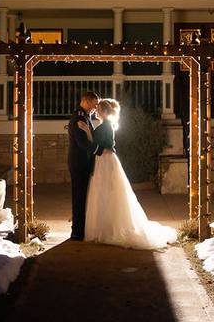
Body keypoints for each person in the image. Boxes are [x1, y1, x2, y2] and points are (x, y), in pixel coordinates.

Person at [78, 98, 176, 250]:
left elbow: (105, 146)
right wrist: (87, 130)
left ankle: (108, 229)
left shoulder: (106, 126)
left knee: (107, 191)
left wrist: (87, 131)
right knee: (104, 192)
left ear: (103, 111)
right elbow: (96, 143)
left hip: (106, 160)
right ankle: (105, 227)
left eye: (98, 110)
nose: (96, 111)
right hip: (103, 160)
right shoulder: (105, 124)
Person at [66, 91, 102, 241]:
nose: (94, 109)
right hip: (78, 163)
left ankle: (81, 229)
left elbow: (90, 136)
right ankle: (77, 232)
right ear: (86, 101)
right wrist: (100, 151)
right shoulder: (78, 118)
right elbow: (82, 143)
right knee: (79, 197)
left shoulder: (85, 116)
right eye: (93, 105)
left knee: (83, 196)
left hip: (83, 162)